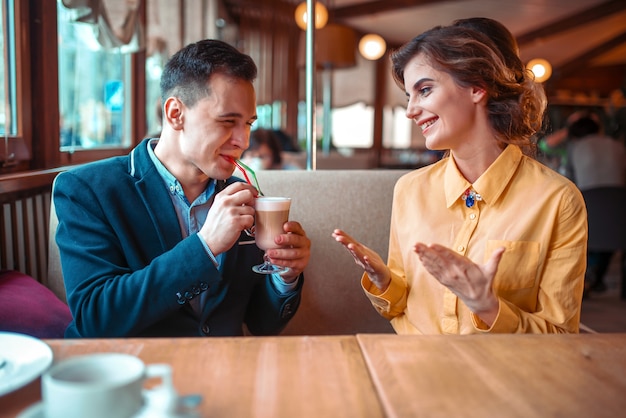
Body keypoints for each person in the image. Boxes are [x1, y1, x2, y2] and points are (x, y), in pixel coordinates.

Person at [332, 20, 588, 334]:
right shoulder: (409, 189)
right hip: (413, 370)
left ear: (477, 87)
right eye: (409, 95)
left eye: (424, 90)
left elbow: (561, 335)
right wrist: (384, 281)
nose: (411, 110)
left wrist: (489, 308)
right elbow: (400, 308)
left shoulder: (558, 200)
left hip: (499, 377)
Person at [53, 39, 311, 338]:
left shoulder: (244, 195)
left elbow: (260, 325)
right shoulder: (87, 190)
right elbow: (95, 319)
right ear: (176, 113)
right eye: (228, 121)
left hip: (224, 371)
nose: (243, 140)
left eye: (249, 123)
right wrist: (205, 246)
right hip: (130, 372)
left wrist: (285, 277)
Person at [566, 114, 626, 294]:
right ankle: (597, 277)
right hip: (620, 204)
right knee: (611, 235)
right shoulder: (618, 145)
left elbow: (569, 182)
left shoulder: (575, 148)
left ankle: (586, 281)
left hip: (589, 203)